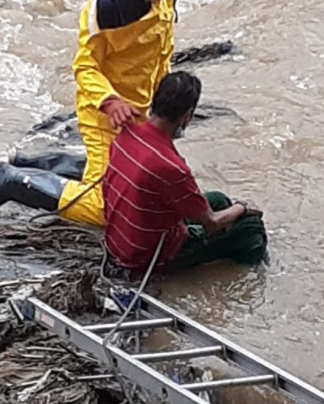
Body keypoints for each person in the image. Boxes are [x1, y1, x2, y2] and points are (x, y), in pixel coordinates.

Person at [0, 0, 195, 225]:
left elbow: (161, 54)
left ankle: (31, 163)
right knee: (110, 208)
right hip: (103, 113)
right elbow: (85, 66)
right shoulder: (109, 8)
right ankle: (11, 182)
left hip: (139, 109)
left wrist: (163, 111)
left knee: (136, 176)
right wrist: (110, 101)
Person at [102, 71, 269, 275]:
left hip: (118, 242)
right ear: (187, 116)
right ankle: (247, 276)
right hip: (149, 258)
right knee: (252, 229)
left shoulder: (126, 133)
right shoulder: (171, 167)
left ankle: (226, 246)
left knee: (217, 199)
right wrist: (243, 207)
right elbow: (211, 223)